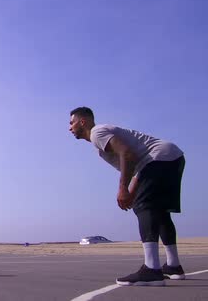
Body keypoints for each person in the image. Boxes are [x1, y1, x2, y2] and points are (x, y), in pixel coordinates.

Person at [69, 107, 186, 286]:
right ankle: (173, 266)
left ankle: (152, 269)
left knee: (144, 207)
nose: (70, 128)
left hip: (157, 159)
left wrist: (123, 189)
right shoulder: (100, 143)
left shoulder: (97, 133)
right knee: (160, 212)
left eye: (72, 123)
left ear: (82, 122)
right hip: (170, 157)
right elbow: (136, 166)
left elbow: (128, 154)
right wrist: (130, 192)